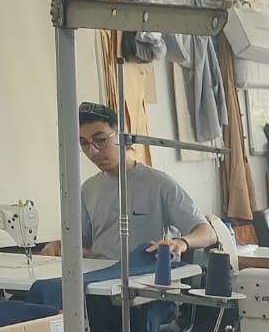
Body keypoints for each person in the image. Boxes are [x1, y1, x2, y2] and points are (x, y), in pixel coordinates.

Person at [74, 102, 217, 260]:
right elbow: (84, 245)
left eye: (100, 140)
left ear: (122, 136)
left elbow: (208, 233)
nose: (93, 151)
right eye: (84, 143)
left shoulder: (159, 184)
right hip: (101, 279)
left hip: (152, 277)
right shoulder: (88, 190)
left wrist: (181, 242)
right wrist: (59, 246)